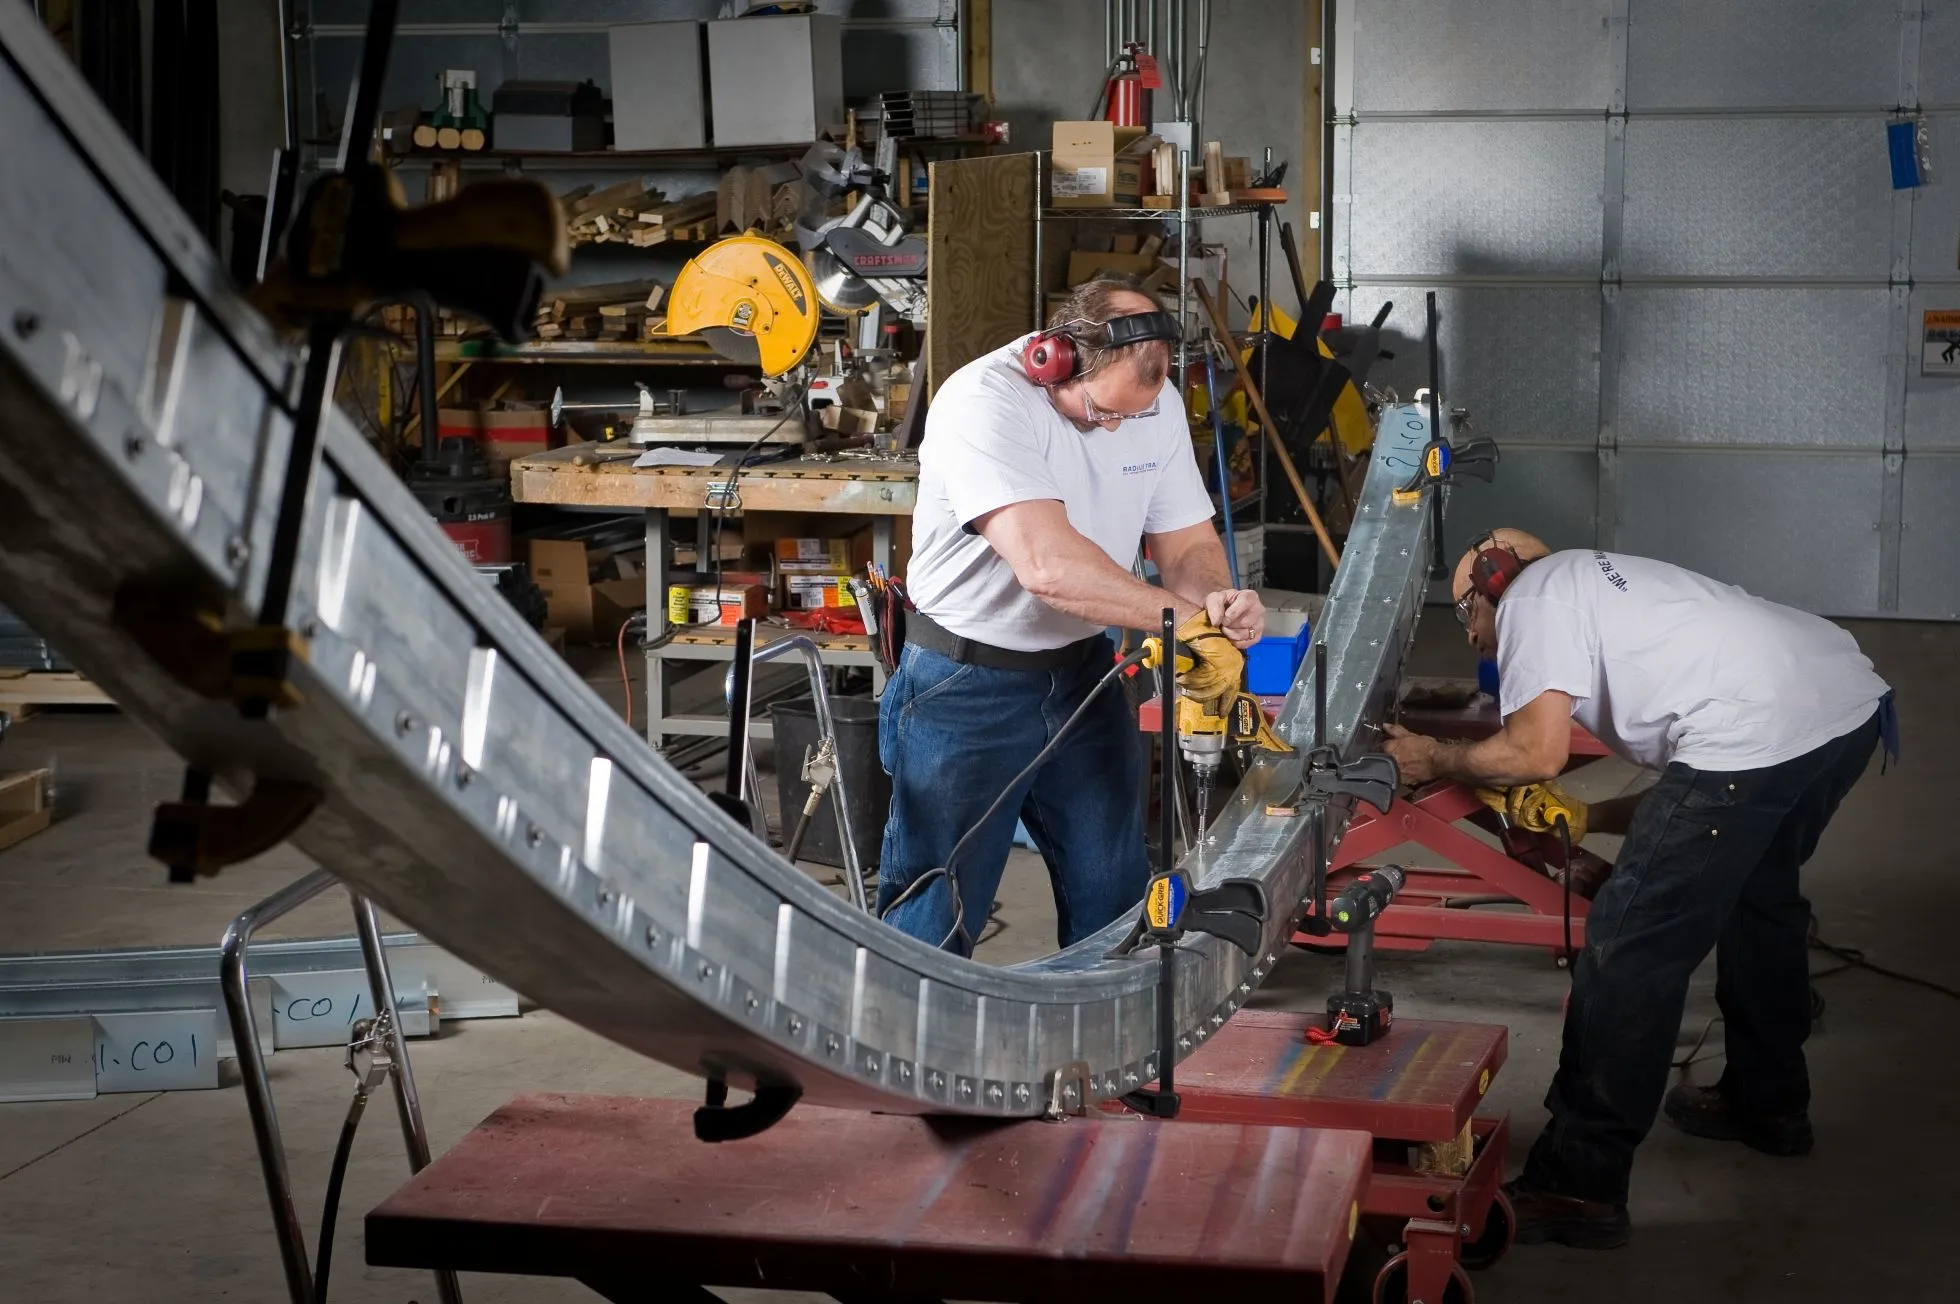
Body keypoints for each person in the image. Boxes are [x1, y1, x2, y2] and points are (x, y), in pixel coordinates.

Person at [1381, 529, 1894, 1249]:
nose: (1472, 638)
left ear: (1493, 581)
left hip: (1760, 733)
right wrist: (1587, 817)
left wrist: (1432, 754)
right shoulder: (1589, 582)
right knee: (1759, 901)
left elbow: (1535, 752)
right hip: (1843, 707)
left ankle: (1577, 1184)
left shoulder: (1533, 597)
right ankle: (1769, 1104)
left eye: (1466, 611)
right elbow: (1693, 796)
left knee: (1629, 948)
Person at [876, 277, 1263, 955]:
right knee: (933, 913)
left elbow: (1190, 543)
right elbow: (1049, 569)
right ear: (1054, 356)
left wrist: (1214, 604)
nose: (1113, 426)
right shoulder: (983, 401)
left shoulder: (1153, 403)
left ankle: (1108, 1055)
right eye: (1100, 411)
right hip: (964, 687)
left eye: (1129, 417)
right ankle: (904, 1055)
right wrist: (1183, 623)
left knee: (1113, 893)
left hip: (1084, 673)